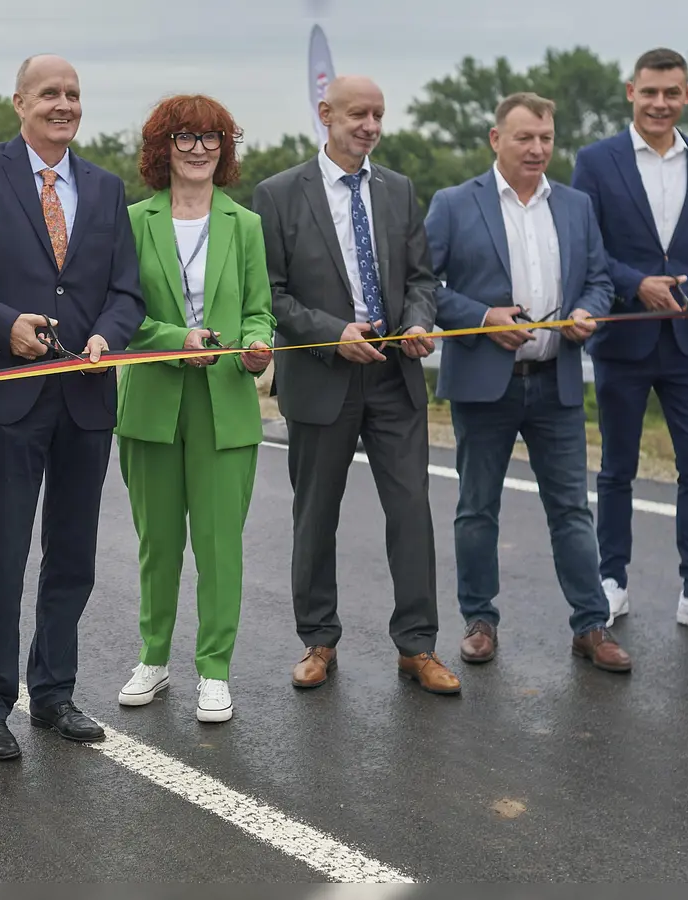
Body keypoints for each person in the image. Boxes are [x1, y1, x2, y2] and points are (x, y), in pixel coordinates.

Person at [0, 54, 145, 759]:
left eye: (74, 94)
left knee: (73, 555)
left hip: (85, 392)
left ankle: (54, 692)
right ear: (20, 101)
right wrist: (5, 327)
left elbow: (127, 291)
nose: (64, 104)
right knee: (2, 551)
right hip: (12, 391)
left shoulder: (106, 187)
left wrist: (105, 336)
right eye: (50, 93)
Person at [252, 75, 460, 695]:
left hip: (395, 378)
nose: (369, 126)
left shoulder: (398, 190)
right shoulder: (279, 193)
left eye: (378, 114)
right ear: (326, 115)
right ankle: (318, 640)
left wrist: (420, 319)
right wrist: (332, 332)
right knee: (316, 515)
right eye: (357, 115)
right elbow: (272, 294)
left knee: (412, 512)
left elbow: (422, 279)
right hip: (322, 379)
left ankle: (417, 646)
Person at [425, 92, 632, 671]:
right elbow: (424, 286)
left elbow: (598, 279)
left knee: (571, 510)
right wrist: (481, 318)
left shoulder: (575, 205)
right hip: (484, 385)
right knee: (476, 508)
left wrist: (588, 310)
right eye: (525, 137)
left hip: (555, 380)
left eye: (545, 137)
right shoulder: (452, 203)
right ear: (496, 140)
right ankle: (480, 621)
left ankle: (591, 625)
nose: (538, 148)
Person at [570, 48, 688, 639]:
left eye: (671, 93)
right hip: (624, 336)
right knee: (617, 469)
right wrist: (633, 284)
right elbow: (587, 247)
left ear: (687, 95)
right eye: (650, 92)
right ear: (630, 92)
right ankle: (612, 582)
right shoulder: (596, 161)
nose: (660, 103)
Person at [114, 95, 275, 722]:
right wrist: (174, 341)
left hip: (227, 403)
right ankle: (153, 660)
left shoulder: (247, 224)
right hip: (152, 403)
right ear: (163, 147)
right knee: (158, 544)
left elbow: (260, 309)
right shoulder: (133, 221)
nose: (199, 147)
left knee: (218, 547)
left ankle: (214, 670)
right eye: (185, 137)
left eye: (211, 137)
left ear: (224, 149)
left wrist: (259, 347)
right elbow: (124, 315)